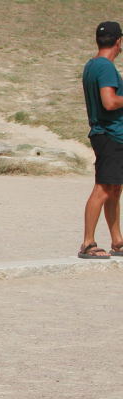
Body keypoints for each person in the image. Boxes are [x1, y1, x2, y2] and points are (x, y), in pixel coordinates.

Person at [79, 21, 123, 259]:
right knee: (104, 188)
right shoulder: (105, 67)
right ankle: (88, 243)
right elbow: (109, 101)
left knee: (114, 188)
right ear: (119, 41)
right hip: (110, 134)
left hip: (106, 133)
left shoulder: (92, 65)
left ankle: (118, 241)